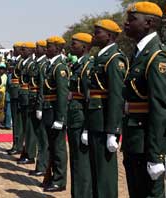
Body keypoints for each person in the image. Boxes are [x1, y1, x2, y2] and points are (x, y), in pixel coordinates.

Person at [123, 2, 166, 197]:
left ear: (148, 23)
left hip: (146, 143)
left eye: (132, 19)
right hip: (134, 139)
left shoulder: (156, 56)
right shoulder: (139, 53)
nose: (126, 24)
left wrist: (156, 155)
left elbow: (160, 108)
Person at [87, 19, 128, 198]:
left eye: (98, 32)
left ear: (109, 36)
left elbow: (116, 96)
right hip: (96, 120)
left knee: (105, 173)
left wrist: (113, 130)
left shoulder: (114, 58)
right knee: (96, 170)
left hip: (105, 122)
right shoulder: (101, 56)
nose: (94, 35)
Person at [67, 33, 94, 197]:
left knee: (82, 163)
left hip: (81, 118)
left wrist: (86, 127)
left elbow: (89, 99)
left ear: (84, 47)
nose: (71, 47)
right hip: (74, 117)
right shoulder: (78, 65)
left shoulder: (87, 66)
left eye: (74, 44)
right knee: (76, 161)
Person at [41, 36, 68, 192]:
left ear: (57, 49)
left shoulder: (60, 67)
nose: (46, 49)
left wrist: (60, 118)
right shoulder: (51, 66)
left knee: (58, 148)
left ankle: (59, 180)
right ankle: (52, 176)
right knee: (51, 146)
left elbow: (62, 95)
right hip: (48, 110)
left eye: (49, 46)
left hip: (54, 111)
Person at [28, 40, 49, 176]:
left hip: (40, 102)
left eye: (38, 47)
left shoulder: (43, 64)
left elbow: (42, 87)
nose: (36, 49)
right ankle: (40, 165)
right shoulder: (37, 63)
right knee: (37, 134)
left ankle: (42, 166)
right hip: (34, 101)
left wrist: (39, 106)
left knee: (42, 137)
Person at [17, 42, 37, 165]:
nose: (21, 52)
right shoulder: (24, 63)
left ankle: (30, 154)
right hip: (23, 96)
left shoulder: (31, 64)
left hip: (28, 97)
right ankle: (25, 151)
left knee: (29, 128)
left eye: (24, 50)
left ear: (30, 51)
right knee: (24, 127)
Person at [6, 42, 24, 155]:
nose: (14, 50)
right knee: (16, 122)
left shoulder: (22, 61)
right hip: (13, 93)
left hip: (18, 94)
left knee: (18, 122)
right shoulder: (17, 60)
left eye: (15, 48)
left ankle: (18, 145)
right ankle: (15, 144)